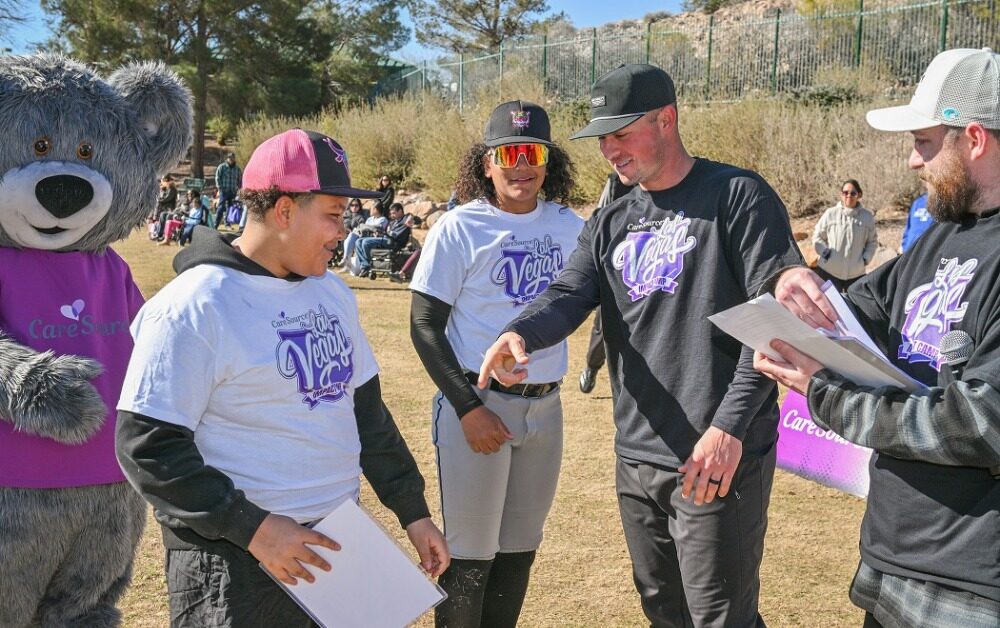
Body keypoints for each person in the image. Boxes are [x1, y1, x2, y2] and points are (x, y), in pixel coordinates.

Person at [478, 65, 803, 627]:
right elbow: (570, 292)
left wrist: (729, 429)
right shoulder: (612, 216)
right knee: (664, 612)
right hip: (638, 455)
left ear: (667, 121)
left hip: (715, 453)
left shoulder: (737, 197)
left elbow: (771, 320)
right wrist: (521, 331)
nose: (608, 149)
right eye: (602, 137)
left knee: (720, 618)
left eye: (621, 133)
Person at [115, 128, 449, 628]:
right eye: (334, 214)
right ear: (285, 210)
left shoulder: (332, 294)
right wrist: (256, 530)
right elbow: (147, 445)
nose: (343, 230)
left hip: (336, 546)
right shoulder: (194, 306)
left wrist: (412, 511)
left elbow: (367, 416)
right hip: (234, 560)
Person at [754, 47, 1000, 628]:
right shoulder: (942, 233)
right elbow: (851, 308)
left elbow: (983, 424)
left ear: (975, 138)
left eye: (923, 142)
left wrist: (824, 394)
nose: (914, 162)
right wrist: (791, 284)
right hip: (894, 560)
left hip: (973, 588)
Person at [410, 100, 582, 627]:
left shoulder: (569, 225)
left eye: (533, 152)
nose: (522, 165)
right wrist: (467, 409)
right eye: (509, 153)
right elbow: (423, 324)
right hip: (479, 405)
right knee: (469, 556)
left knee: (519, 550)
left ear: (548, 161)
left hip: (545, 409)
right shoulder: (462, 227)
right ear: (487, 162)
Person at [578, 172, 635, 394]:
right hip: (616, 269)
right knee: (604, 327)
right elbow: (599, 222)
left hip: (654, 273)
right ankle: (592, 367)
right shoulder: (615, 182)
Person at [811, 178, 878, 291]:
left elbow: (872, 241)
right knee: (829, 306)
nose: (849, 196)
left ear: (859, 195)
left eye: (853, 193)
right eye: (845, 193)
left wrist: (866, 259)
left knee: (853, 307)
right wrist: (824, 252)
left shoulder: (867, 217)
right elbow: (817, 237)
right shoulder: (830, 214)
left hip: (855, 274)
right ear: (841, 195)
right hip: (829, 271)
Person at [355, 202, 411, 278]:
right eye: (391, 214)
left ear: (400, 211)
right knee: (358, 241)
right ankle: (365, 266)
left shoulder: (405, 220)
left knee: (366, 242)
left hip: (394, 242)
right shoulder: (393, 221)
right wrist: (380, 234)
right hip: (386, 238)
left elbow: (414, 218)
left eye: (394, 213)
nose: (392, 215)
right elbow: (387, 232)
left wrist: (411, 217)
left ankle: (368, 266)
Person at [340, 202, 387, 273]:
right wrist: (367, 227)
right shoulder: (370, 219)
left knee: (361, 241)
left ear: (376, 210)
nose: (370, 210)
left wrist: (366, 227)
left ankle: (365, 265)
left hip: (374, 238)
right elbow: (364, 227)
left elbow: (378, 229)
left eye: (371, 209)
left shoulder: (383, 219)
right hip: (364, 235)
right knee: (352, 235)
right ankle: (346, 259)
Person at [214, 151, 242, 229]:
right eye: (229, 158)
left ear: (234, 159)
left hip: (232, 191)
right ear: (227, 159)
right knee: (220, 208)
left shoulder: (237, 169)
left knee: (230, 209)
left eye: (232, 158)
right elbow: (217, 177)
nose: (231, 159)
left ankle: (227, 225)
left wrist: (239, 189)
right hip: (223, 191)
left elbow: (240, 180)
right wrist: (219, 188)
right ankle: (215, 225)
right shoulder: (222, 167)